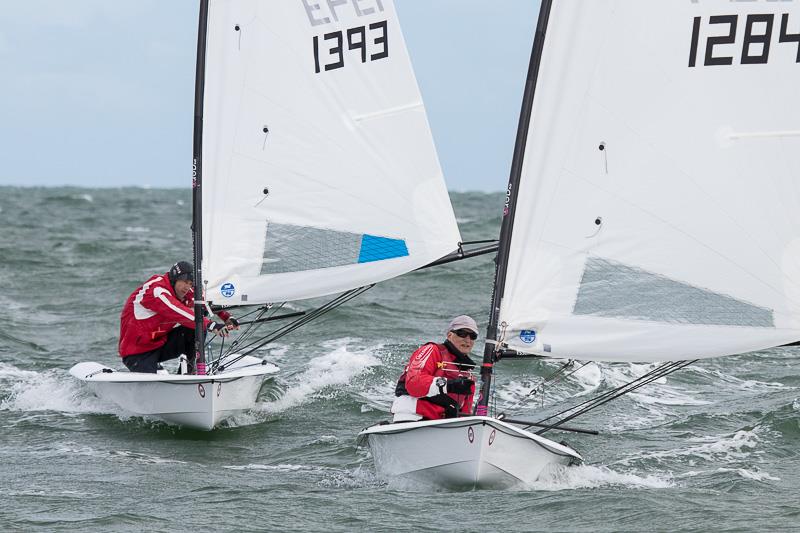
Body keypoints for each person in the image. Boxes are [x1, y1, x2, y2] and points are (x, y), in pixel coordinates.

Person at [118, 261, 237, 373]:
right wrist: (211, 325)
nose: (187, 287)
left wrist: (226, 317)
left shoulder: (183, 290)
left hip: (159, 344)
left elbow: (204, 301)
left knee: (197, 329)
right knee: (199, 323)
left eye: (190, 283)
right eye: (185, 282)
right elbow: (179, 312)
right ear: (174, 279)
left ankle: (189, 373)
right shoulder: (157, 291)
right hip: (137, 353)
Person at [391, 315, 479, 422]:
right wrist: (450, 385)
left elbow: (464, 413)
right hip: (413, 418)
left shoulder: (467, 375)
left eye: (472, 336)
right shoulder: (432, 350)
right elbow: (414, 383)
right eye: (462, 333)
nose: (467, 339)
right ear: (450, 335)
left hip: (443, 427)